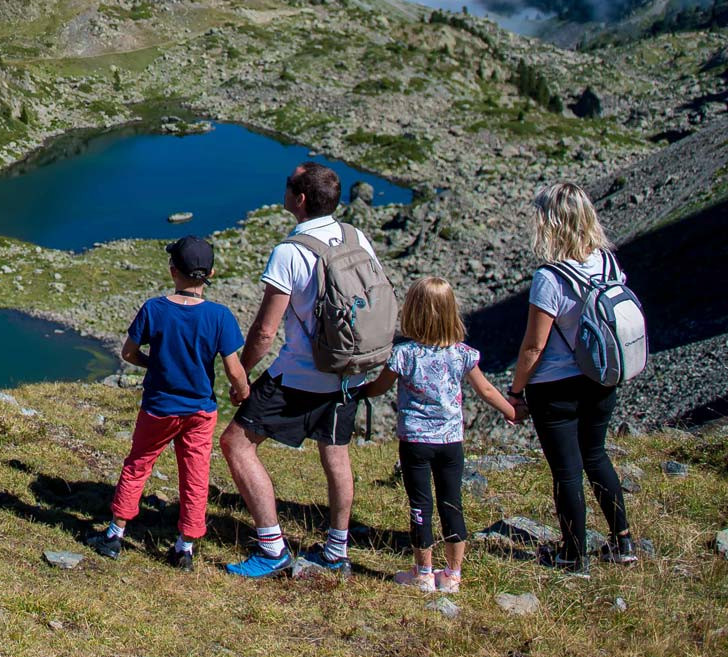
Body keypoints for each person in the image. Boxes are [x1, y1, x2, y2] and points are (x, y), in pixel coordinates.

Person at [221, 161, 379, 578]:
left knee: (236, 444)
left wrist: (241, 374)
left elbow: (264, 332)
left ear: (300, 199)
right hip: (348, 372)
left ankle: (272, 548)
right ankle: (336, 551)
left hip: (300, 376)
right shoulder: (355, 236)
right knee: (336, 455)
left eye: (289, 184)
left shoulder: (289, 252)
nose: (285, 189)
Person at [92, 236, 250, 568]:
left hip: (159, 407)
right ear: (211, 273)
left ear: (172, 271)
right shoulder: (219, 316)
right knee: (195, 473)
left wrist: (155, 363)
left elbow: (128, 353)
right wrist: (241, 392)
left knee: (138, 464)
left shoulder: (154, 309)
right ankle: (185, 547)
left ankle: (114, 535)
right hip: (200, 410)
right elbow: (234, 370)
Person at [510, 183, 638, 572]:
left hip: (555, 387)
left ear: (550, 224)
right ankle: (623, 541)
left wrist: (516, 391)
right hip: (601, 377)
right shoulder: (609, 264)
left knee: (566, 471)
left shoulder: (549, 277)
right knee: (596, 456)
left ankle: (574, 554)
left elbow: (534, 346)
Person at [360, 276, 517, 591]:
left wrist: (358, 391)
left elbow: (380, 387)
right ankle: (453, 575)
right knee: (452, 502)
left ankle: (423, 574)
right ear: (451, 313)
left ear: (412, 313)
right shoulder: (462, 354)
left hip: (416, 442)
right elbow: (485, 389)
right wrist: (511, 410)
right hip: (450, 441)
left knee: (420, 504)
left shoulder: (404, 354)